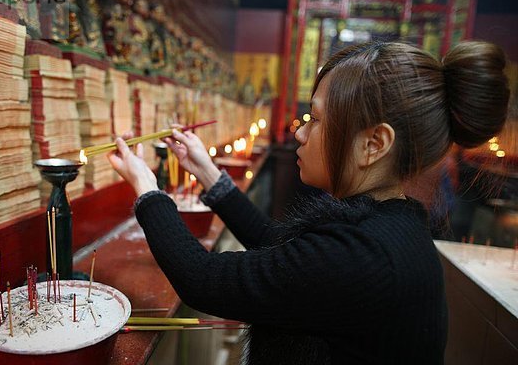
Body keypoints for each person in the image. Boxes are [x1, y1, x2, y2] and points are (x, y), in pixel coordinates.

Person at [107, 41, 510, 364]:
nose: (300, 134)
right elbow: (283, 252)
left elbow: (202, 278)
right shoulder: (388, 226)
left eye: (315, 120)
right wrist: (209, 174)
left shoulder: (366, 254)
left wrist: (147, 187)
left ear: (374, 144)